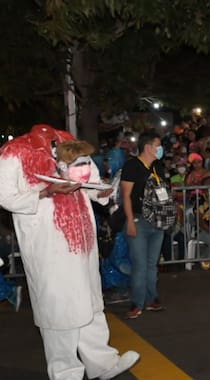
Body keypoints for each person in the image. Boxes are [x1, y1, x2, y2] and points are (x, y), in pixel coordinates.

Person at [0, 125, 139, 379]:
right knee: (58, 309)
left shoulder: (68, 142)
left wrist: (101, 191)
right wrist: (46, 192)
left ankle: (103, 363)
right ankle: (65, 372)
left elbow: (89, 179)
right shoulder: (14, 153)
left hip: (82, 240)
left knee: (91, 302)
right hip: (47, 245)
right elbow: (4, 195)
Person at [120, 130, 168, 319]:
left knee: (151, 264)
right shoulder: (132, 166)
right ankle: (137, 303)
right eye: (158, 145)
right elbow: (125, 196)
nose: (161, 149)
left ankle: (151, 299)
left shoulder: (158, 167)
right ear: (148, 147)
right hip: (139, 221)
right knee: (140, 265)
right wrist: (130, 221)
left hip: (157, 221)